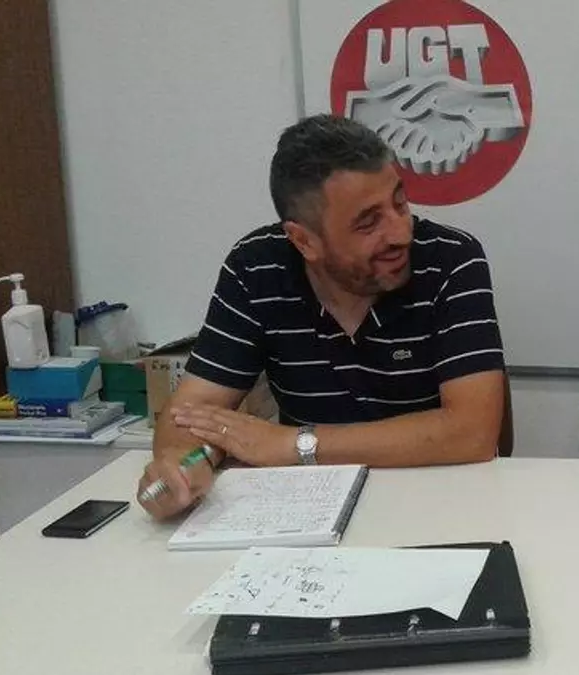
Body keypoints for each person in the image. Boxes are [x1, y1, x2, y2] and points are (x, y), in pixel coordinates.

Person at [137, 114, 507, 519]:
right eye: (368, 223)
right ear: (303, 240)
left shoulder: (451, 260)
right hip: (307, 511)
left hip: (439, 502)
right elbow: (191, 413)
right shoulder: (255, 269)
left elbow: (472, 432)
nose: (401, 233)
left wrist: (294, 444)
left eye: (400, 204)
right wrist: (181, 465)